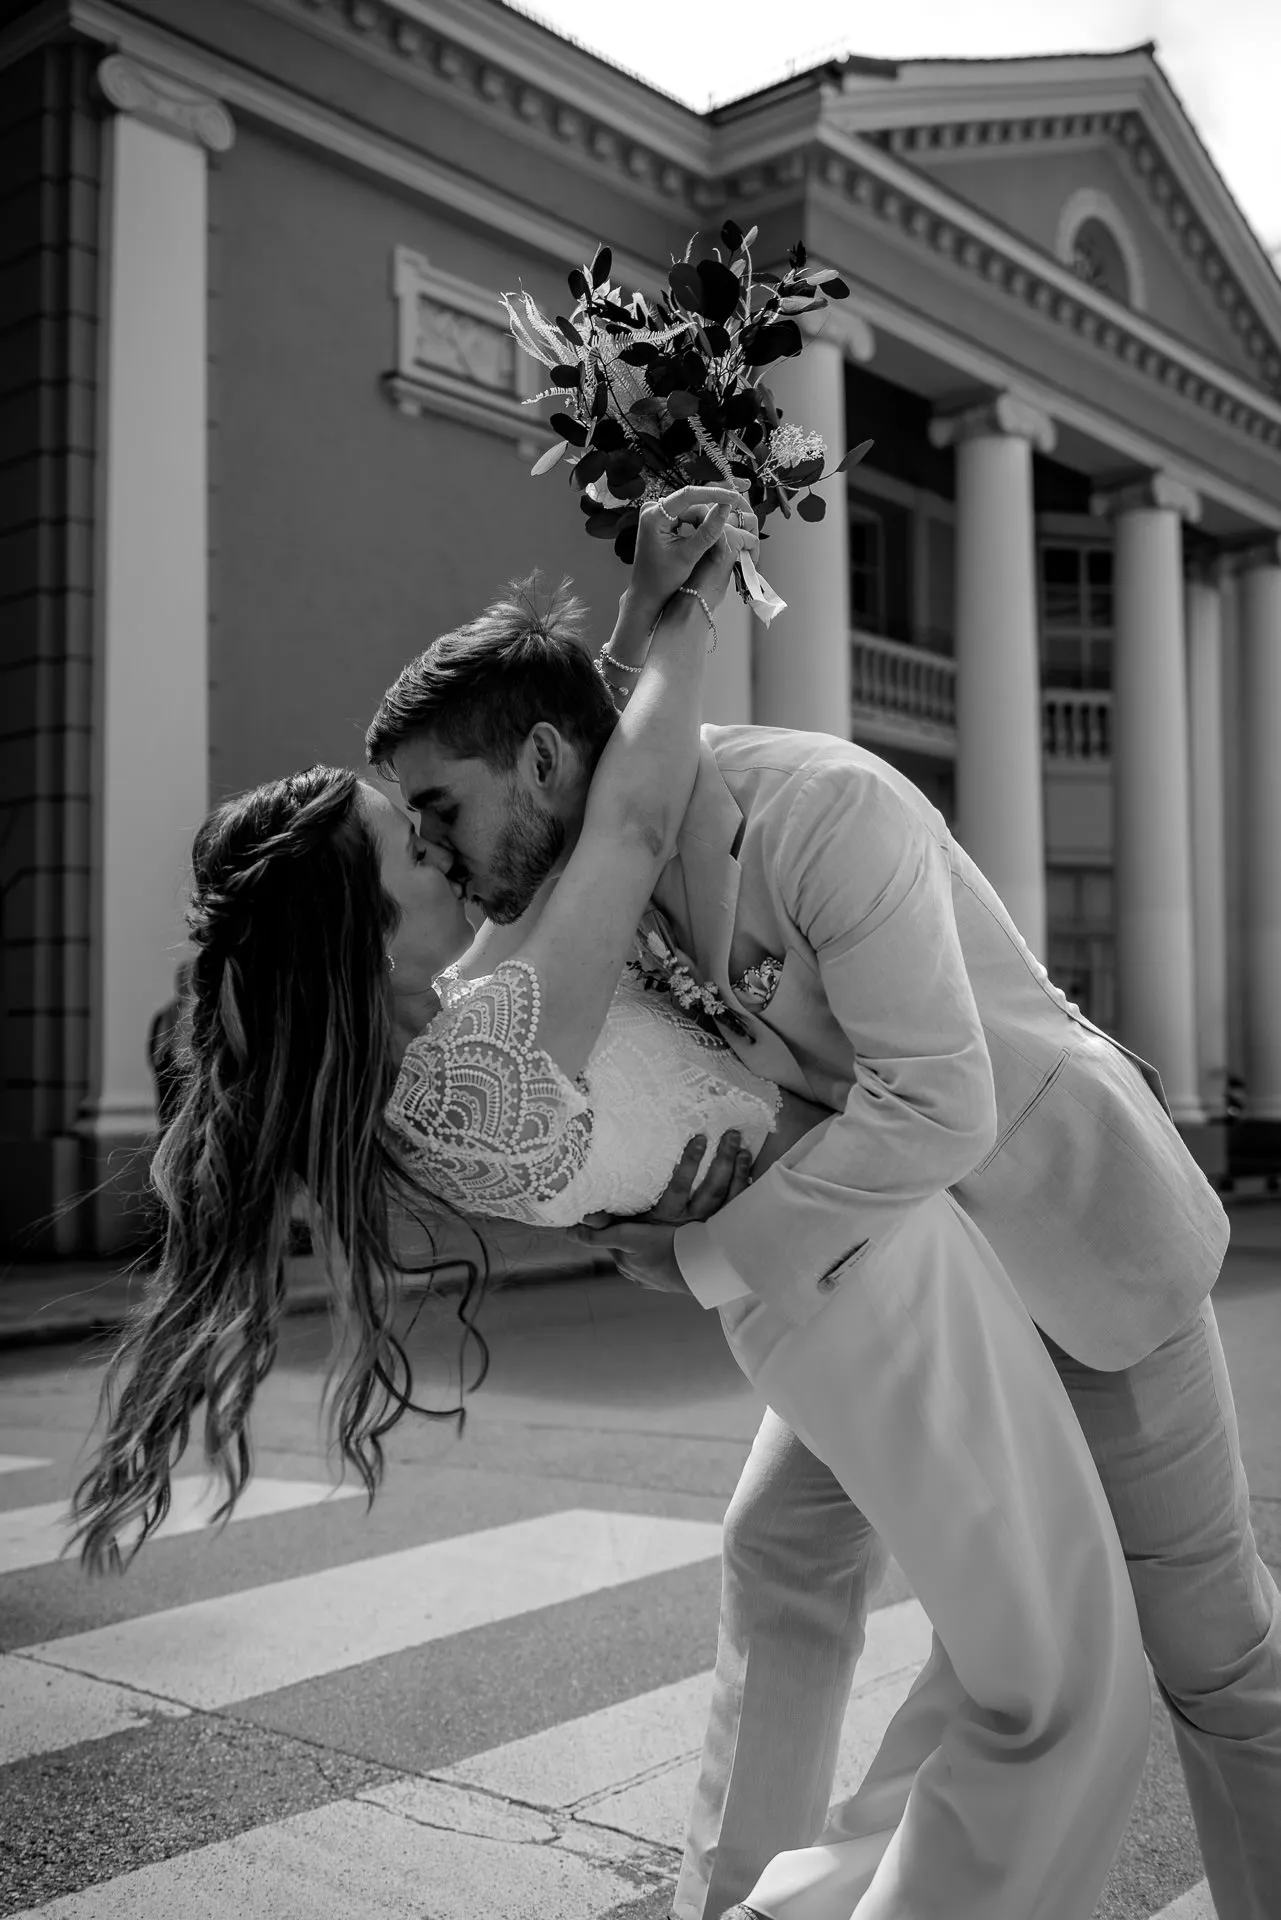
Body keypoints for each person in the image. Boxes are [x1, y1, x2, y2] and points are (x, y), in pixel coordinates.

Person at [71, 490, 1147, 1920]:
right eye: (417, 844)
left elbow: (568, 795)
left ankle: (751, 1897)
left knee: (908, 1619)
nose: (450, 857)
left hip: (805, 1296)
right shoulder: (501, 1025)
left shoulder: (448, 1049)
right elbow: (625, 813)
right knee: (1064, 1685)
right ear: (366, 924)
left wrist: (628, 626)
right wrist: (690, 590)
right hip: (872, 1270)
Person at [367, 504, 1278, 1920]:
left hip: (1076, 1258)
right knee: (780, 1550)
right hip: (900, 1281)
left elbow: (939, 1107)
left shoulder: (824, 809)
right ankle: (733, 1902)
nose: (439, 850)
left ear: (542, 762)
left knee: (1214, 1661)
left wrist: (704, 1258)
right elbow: (500, 1002)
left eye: (443, 810)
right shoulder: (587, 881)